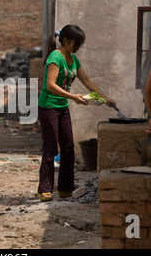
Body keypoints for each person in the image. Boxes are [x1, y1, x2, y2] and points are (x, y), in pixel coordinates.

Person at [37, 24, 116, 202]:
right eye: (76, 43)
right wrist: (73, 96)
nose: (78, 47)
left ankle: (65, 188)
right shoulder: (55, 58)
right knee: (50, 149)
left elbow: (86, 80)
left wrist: (105, 98)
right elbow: (50, 85)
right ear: (66, 40)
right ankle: (45, 189)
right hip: (48, 106)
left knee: (68, 148)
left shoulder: (73, 59)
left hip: (62, 106)